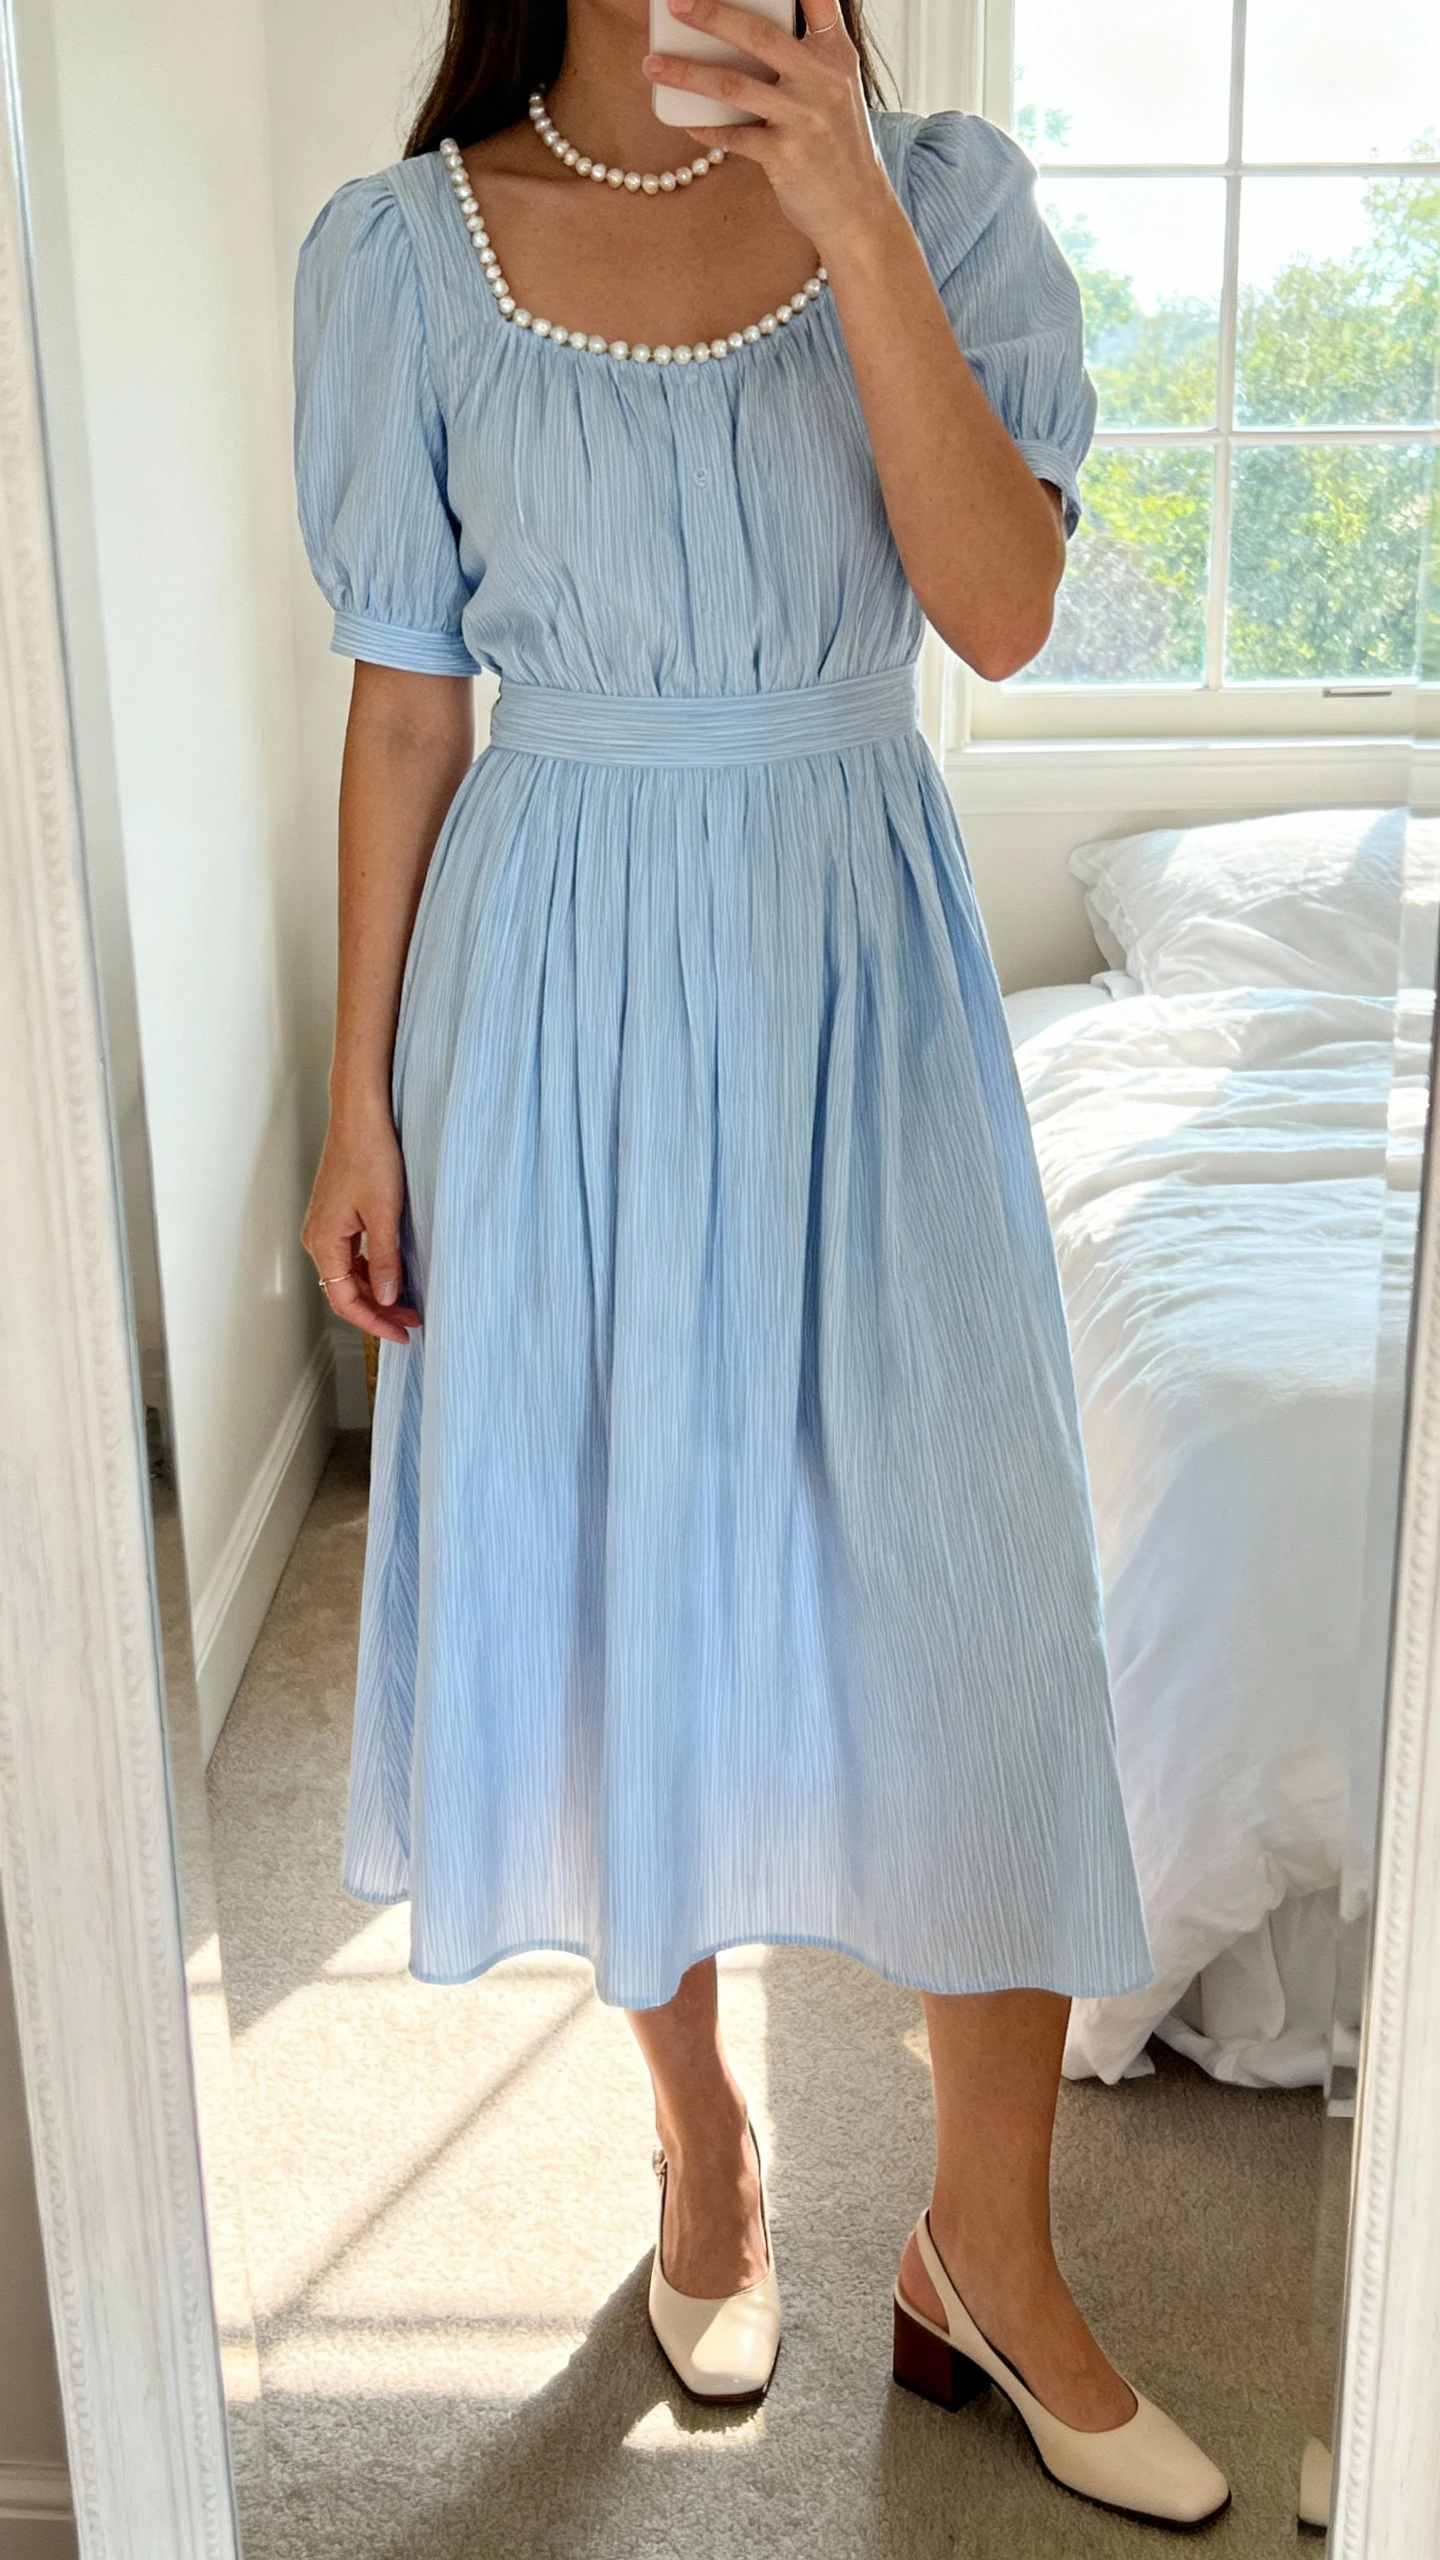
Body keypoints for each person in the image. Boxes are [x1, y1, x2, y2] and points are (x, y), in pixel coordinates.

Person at [294, 0, 1228, 2525]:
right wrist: (359, 1094)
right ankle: (702, 2143)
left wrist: (851, 219)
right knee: (636, 1590)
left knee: (980, 1596)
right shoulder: (407, 253)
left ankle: (988, 2254)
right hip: (552, 991)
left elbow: (1001, 613)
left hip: (856, 963)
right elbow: (409, 708)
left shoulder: (947, 193)